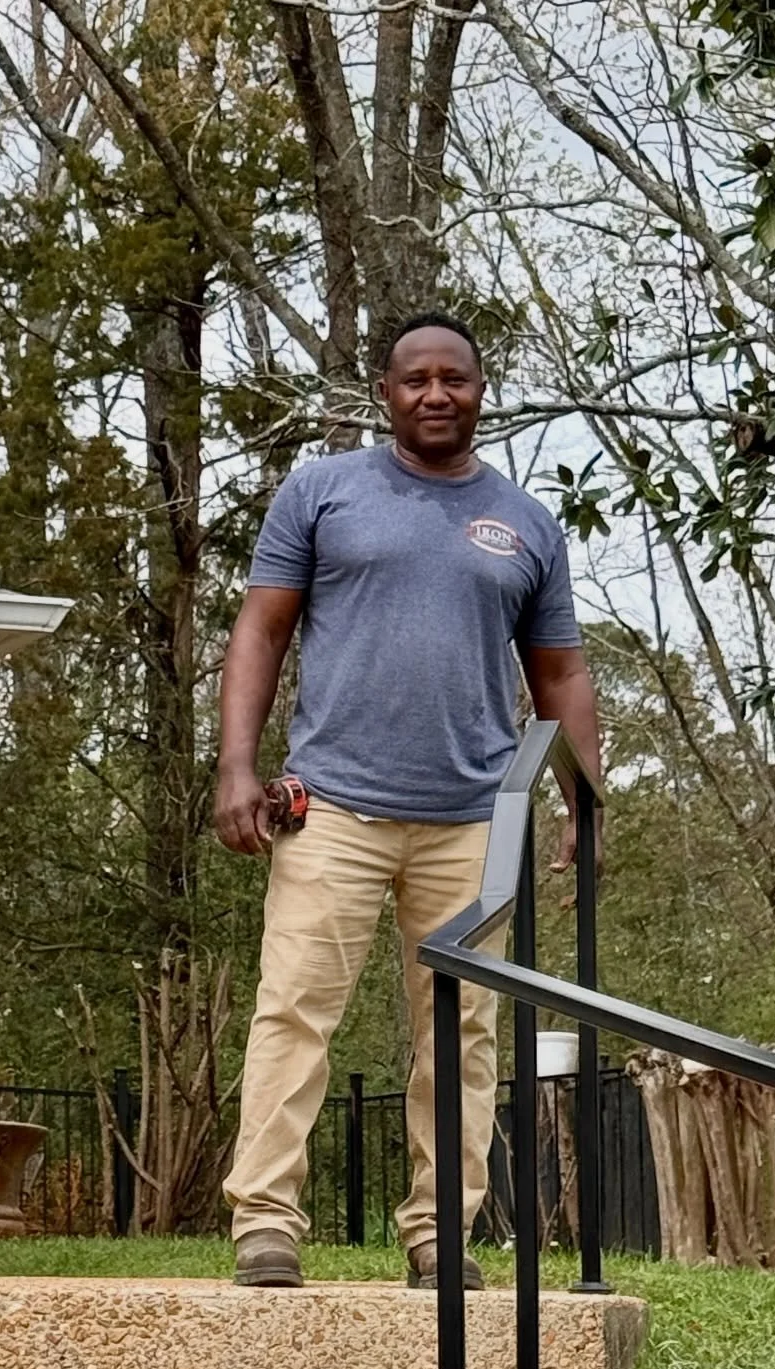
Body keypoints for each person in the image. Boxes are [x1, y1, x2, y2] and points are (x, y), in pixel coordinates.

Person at [215, 311, 602, 1287]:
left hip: (475, 819)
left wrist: (584, 803)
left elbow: (559, 676)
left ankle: (440, 1235)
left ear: (481, 392)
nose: (437, 394)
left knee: (462, 1035)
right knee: (296, 1012)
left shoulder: (524, 523)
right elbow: (260, 631)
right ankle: (266, 1224)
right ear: (386, 392)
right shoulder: (323, 492)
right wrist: (235, 767)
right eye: (416, 379)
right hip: (332, 807)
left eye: (455, 380)